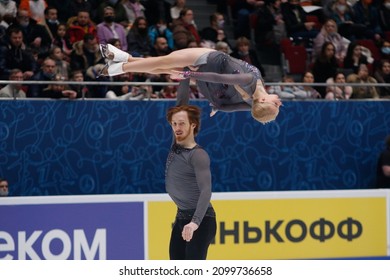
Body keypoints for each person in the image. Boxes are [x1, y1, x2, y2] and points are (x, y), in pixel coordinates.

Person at [100, 44, 282, 123]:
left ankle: (120, 67)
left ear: (265, 101)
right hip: (209, 73)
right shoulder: (251, 103)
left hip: (209, 59)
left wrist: (190, 73)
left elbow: (219, 78)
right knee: (164, 66)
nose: (279, 102)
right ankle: (122, 59)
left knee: (162, 62)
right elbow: (227, 108)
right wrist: (217, 106)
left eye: (276, 104)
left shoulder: (249, 81)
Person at [165, 103, 216, 259]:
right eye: (174, 124)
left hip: (201, 220)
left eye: (181, 123)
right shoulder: (176, 146)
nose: (177, 127)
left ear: (192, 125)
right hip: (181, 216)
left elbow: (206, 191)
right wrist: (186, 77)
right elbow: (182, 99)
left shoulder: (198, 155)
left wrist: (195, 222)